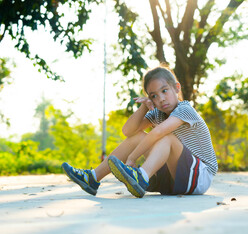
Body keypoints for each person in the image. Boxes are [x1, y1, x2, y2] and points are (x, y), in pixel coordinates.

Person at [62, 66, 218, 198]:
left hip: (200, 177)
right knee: (138, 137)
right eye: (154, 96)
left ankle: (141, 177)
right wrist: (144, 106)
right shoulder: (158, 113)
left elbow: (159, 133)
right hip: (174, 178)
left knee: (166, 137)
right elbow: (128, 131)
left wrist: (132, 157)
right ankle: (93, 177)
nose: (161, 99)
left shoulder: (185, 109)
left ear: (176, 88)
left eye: (164, 91)